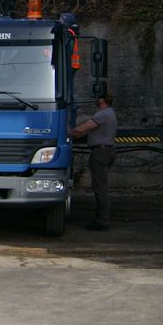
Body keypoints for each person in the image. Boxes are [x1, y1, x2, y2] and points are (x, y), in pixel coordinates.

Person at [71, 94, 118, 231]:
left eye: (98, 98)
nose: (95, 100)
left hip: (100, 152)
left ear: (103, 100)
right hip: (106, 151)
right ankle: (100, 219)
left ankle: (102, 221)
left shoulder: (103, 114)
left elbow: (82, 128)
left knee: (100, 188)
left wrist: (67, 131)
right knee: (100, 186)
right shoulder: (110, 113)